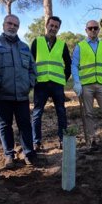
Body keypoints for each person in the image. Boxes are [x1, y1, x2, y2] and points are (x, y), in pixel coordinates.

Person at [0, 14, 37, 169]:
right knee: (5, 125)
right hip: (2, 94)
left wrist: (29, 84)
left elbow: (33, 69)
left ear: (18, 27)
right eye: (9, 23)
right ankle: (9, 155)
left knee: (25, 124)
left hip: (21, 95)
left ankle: (28, 153)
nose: (12, 27)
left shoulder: (25, 47)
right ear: (3, 24)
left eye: (15, 25)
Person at [71, 20, 102, 150]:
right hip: (86, 85)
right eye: (90, 28)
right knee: (88, 114)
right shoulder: (80, 46)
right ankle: (90, 141)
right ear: (86, 30)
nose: (93, 30)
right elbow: (74, 65)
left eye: (95, 28)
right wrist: (77, 82)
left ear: (99, 30)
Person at [30, 16, 71, 151]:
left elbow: (68, 65)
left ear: (58, 29)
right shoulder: (37, 42)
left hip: (57, 84)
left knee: (61, 112)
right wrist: (33, 79)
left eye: (56, 27)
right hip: (40, 84)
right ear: (46, 25)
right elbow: (31, 62)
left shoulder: (62, 44)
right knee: (37, 113)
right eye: (51, 25)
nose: (53, 28)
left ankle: (63, 139)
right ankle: (36, 142)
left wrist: (63, 79)